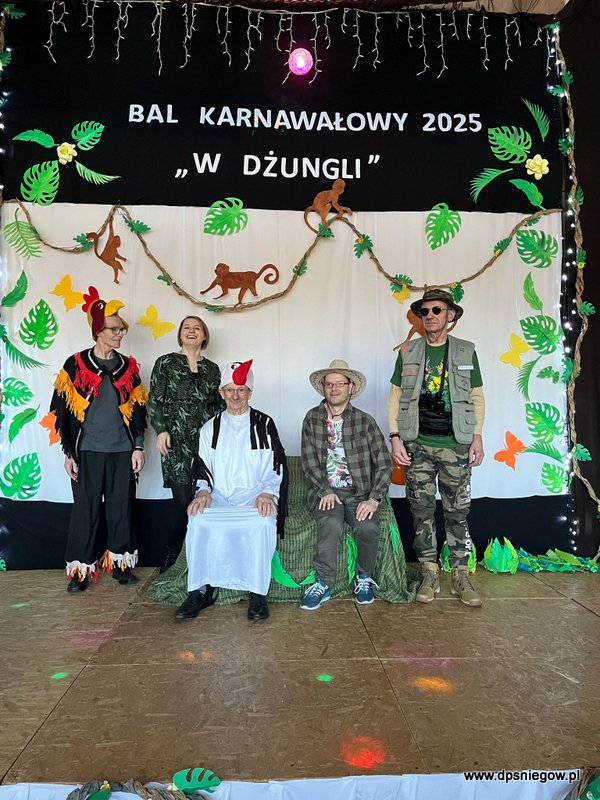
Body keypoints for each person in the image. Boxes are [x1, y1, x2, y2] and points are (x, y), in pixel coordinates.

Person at [388, 288, 485, 607]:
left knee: (458, 511)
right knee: (421, 511)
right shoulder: (408, 351)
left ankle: (460, 574)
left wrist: (477, 436)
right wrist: (395, 437)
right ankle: (429, 573)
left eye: (436, 310)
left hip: (456, 444)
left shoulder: (466, 350)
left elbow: (476, 396)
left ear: (450, 315)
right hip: (417, 444)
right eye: (425, 311)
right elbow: (396, 395)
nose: (429, 315)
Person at [49, 287, 148, 592]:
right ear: (98, 332)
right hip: (87, 451)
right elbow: (62, 413)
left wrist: (138, 447)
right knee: (86, 511)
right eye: (114, 329)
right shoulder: (75, 364)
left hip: (122, 452)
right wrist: (69, 453)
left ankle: (120, 566)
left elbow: (139, 412)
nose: (120, 334)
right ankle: (80, 571)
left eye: (121, 329)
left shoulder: (128, 368)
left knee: (122, 509)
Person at [175, 359, 287, 622]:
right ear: (221, 393)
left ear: (250, 392)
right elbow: (201, 468)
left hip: (253, 497)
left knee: (263, 522)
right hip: (220, 497)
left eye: (241, 390)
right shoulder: (209, 428)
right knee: (198, 520)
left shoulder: (265, 424)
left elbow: (277, 465)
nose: (235, 396)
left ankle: (257, 593)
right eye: (230, 390)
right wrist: (203, 492)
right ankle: (200, 590)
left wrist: (267, 493)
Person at [300, 359, 391, 610]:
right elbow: (308, 462)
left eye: (340, 383)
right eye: (329, 384)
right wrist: (325, 490)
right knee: (330, 524)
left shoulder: (365, 421)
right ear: (323, 388)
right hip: (326, 492)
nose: (334, 388)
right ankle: (323, 583)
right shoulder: (312, 419)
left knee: (368, 528)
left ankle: (364, 578)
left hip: (359, 493)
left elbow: (385, 463)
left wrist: (373, 499)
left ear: (350, 387)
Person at [148, 315, 224, 571]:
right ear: (180, 335)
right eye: (187, 328)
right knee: (182, 499)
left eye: (197, 328)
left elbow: (218, 406)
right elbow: (155, 400)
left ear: (204, 335)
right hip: (175, 439)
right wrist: (161, 430)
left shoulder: (212, 369)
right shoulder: (165, 363)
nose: (192, 331)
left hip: (205, 442)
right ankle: (173, 554)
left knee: (204, 495)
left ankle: (199, 557)